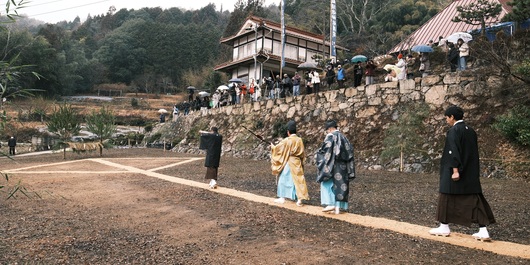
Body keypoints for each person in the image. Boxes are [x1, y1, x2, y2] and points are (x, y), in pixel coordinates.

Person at [429, 106, 495, 241]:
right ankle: (483, 230)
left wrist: (455, 170)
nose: (447, 120)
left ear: (452, 117)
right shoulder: (470, 131)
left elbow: (453, 151)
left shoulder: (454, 131)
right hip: (470, 172)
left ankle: (444, 226)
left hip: (455, 170)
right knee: (474, 199)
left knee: (446, 196)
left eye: (447, 118)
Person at [315, 120, 356, 215]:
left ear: (329, 129)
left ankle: (330, 203)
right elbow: (349, 151)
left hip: (332, 164)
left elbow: (327, 151)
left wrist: (319, 155)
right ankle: (338, 208)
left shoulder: (330, 137)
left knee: (327, 183)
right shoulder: (344, 137)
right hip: (343, 165)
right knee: (340, 185)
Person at [270, 120, 310, 206]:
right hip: (297, 162)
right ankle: (299, 199)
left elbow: (278, 148)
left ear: (288, 132)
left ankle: (282, 197)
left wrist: (272, 146)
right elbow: (302, 153)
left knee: (283, 180)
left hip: (289, 162)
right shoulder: (299, 140)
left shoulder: (287, 140)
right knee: (298, 180)